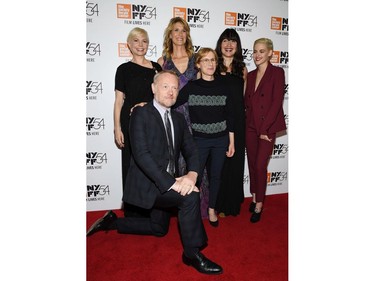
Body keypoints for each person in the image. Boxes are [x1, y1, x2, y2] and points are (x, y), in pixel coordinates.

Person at [87, 71, 223, 275]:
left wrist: (192, 174)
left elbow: (191, 148)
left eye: (175, 88)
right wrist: (173, 183)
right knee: (190, 196)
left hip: (168, 179)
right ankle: (192, 253)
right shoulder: (140, 113)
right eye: (165, 86)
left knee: (159, 229)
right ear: (153, 88)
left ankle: (114, 222)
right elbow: (142, 155)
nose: (171, 92)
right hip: (148, 183)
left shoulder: (177, 118)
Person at [173, 48, 235, 227]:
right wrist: (148, 103)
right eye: (206, 60)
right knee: (194, 177)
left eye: (213, 60)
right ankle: (191, 213)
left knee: (216, 177)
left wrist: (231, 141)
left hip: (221, 140)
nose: (210, 64)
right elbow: (171, 101)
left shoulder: (224, 87)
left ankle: (211, 209)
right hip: (199, 141)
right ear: (198, 64)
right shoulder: (191, 87)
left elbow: (230, 115)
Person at [157, 17, 211, 219]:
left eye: (183, 30)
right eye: (176, 30)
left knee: (197, 164)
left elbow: (205, 89)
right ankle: (180, 208)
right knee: (176, 163)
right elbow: (158, 91)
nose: (180, 34)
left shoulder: (195, 59)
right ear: (170, 34)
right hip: (172, 118)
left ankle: (201, 209)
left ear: (187, 34)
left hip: (196, 118)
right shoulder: (163, 61)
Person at [114, 27, 162, 217]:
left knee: (152, 164)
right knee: (130, 164)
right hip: (130, 123)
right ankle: (133, 210)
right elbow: (119, 101)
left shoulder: (157, 69)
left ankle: (153, 207)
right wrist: (117, 127)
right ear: (129, 44)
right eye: (136, 41)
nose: (140, 45)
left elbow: (162, 97)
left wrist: (147, 104)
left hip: (152, 123)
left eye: (144, 41)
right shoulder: (123, 69)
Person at [244, 38, 287, 223]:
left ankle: (260, 203)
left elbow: (277, 102)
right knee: (253, 165)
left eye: (262, 51)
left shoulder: (277, 72)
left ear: (270, 52)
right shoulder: (251, 75)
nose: (257, 55)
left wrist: (265, 129)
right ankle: (254, 196)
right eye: (255, 51)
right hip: (250, 128)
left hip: (266, 129)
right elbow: (247, 102)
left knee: (261, 166)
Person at [214, 28, 248, 217]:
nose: (228, 45)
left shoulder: (242, 69)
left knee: (234, 163)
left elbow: (241, 98)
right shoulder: (212, 66)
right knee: (218, 164)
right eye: (225, 41)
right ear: (220, 44)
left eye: (233, 41)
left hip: (237, 122)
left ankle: (231, 203)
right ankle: (216, 203)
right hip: (218, 121)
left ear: (237, 45)